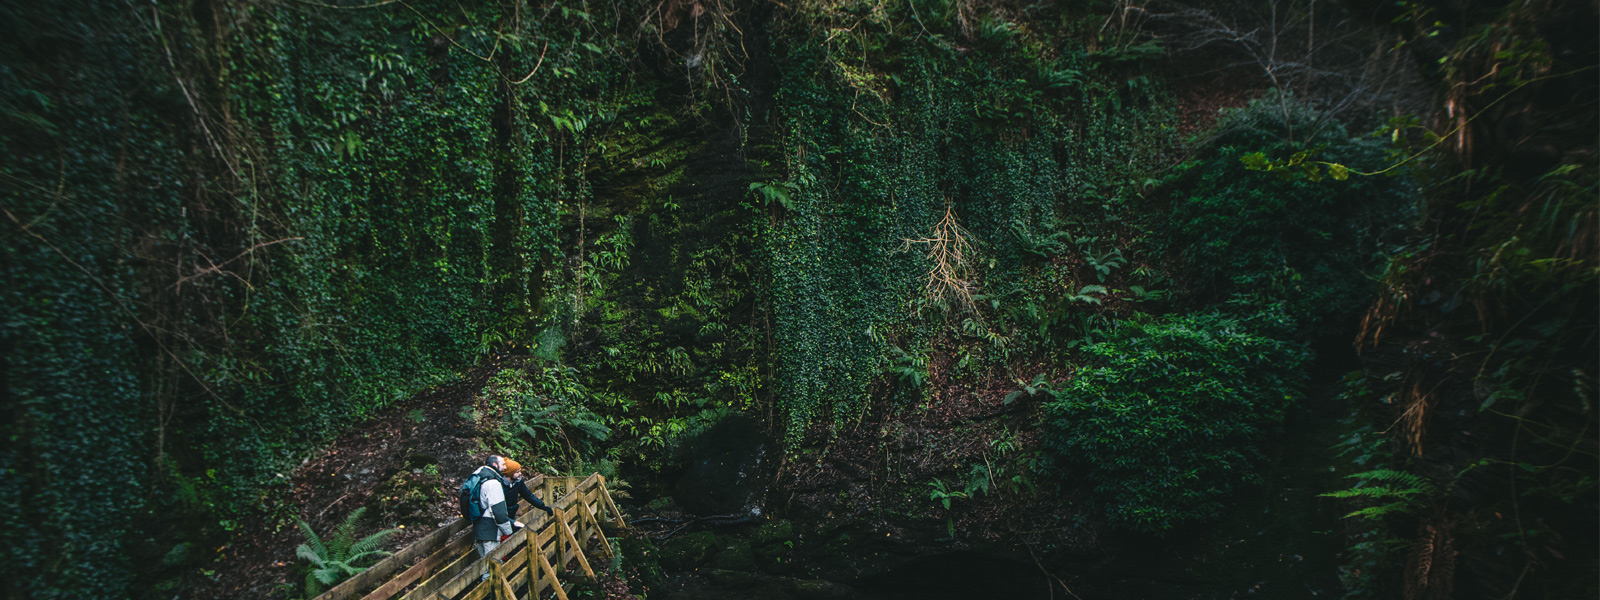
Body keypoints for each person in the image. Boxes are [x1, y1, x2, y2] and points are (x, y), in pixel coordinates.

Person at [469, 455, 515, 559]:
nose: (505, 468)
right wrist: (508, 531)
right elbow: (499, 512)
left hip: (478, 526)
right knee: (492, 566)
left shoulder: (479, 476)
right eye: (502, 464)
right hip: (490, 530)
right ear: (495, 465)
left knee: (484, 565)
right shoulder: (493, 483)